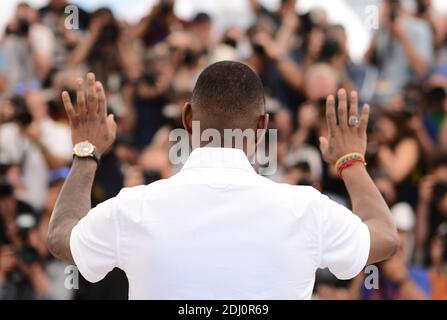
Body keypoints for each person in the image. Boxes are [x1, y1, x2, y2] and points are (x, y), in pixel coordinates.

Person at [46, 62, 398, 299]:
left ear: (187, 119)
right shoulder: (306, 209)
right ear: (263, 127)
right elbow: (384, 237)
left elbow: (63, 237)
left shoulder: (134, 207)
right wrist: (350, 161)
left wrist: (85, 151)